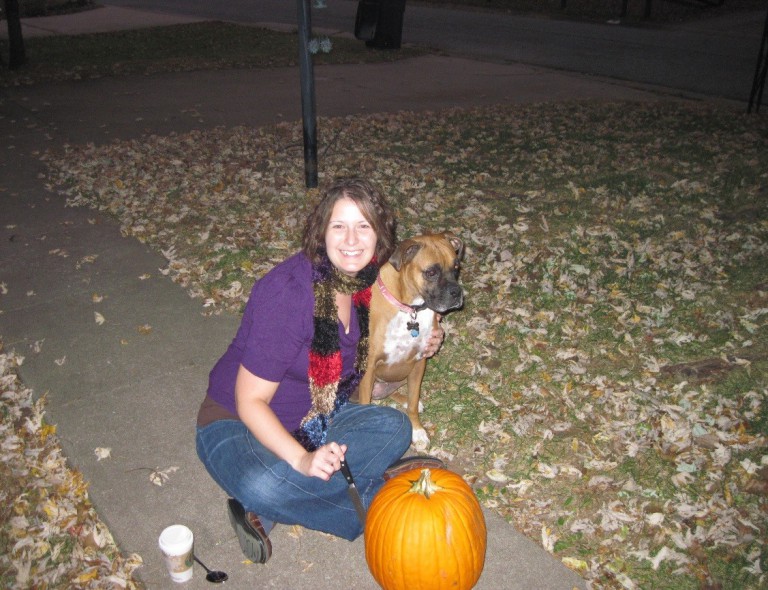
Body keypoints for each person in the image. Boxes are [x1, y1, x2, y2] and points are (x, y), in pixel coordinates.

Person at [195, 177, 446, 563]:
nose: (351, 240)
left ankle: (278, 505)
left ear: (380, 235)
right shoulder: (288, 293)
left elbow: (401, 319)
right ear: (321, 231)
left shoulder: (365, 280)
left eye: (364, 226)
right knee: (263, 484)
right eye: (339, 226)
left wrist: (427, 335)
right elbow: (250, 401)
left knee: (394, 427)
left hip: (315, 416)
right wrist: (301, 460)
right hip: (236, 424)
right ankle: (381, 498)